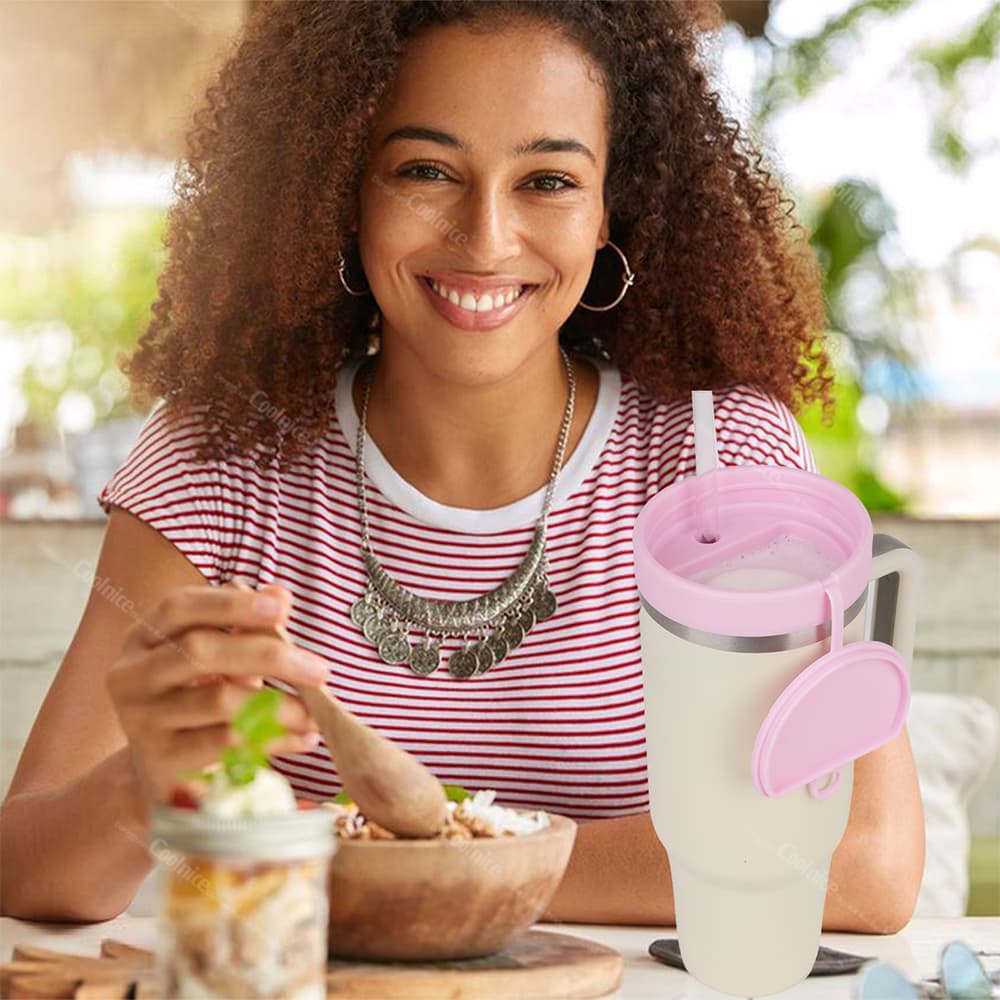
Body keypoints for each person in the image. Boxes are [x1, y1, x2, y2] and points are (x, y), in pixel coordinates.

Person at [0, 0, 924, 930]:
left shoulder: (719, 460)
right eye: (426, 170)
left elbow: (864, 861)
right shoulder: (223, 458)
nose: (484, 237)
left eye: (549, 181)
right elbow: (27, 867)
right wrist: (135, 790)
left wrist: (430, 867)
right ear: (341, 185)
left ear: (614, 208)